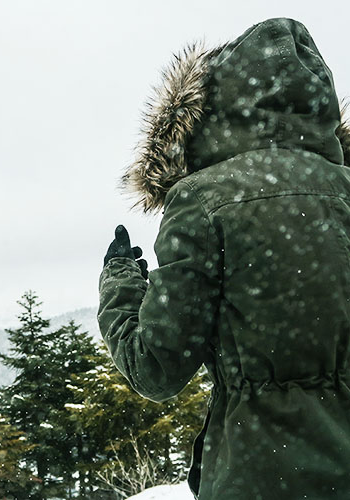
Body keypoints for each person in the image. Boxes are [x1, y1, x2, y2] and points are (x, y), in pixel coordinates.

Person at [97, 17, 350, 500]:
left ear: (213, 106)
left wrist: (120, 285)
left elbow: (156, 367)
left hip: (256, 477)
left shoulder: (204, 199)